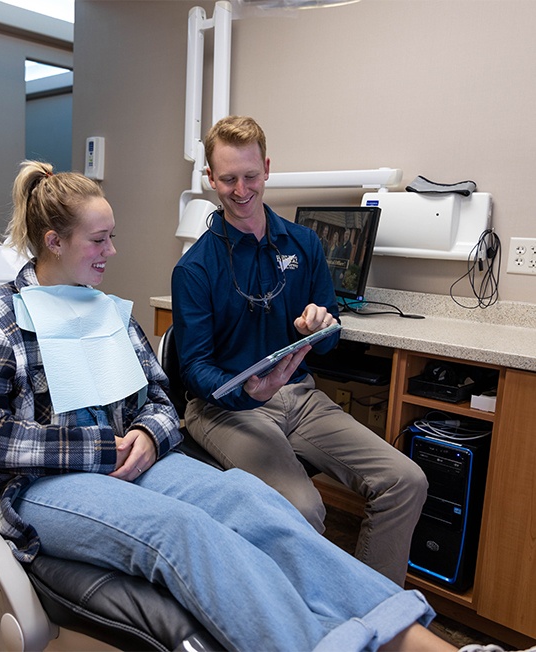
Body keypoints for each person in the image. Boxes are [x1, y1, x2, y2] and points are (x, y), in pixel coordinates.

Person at [0, 160, 476, 652]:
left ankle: (427, 645)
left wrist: (150, 434)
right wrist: (101, 448)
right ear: (54, 241)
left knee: (252, 501)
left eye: (112, 238)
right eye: (99, 240)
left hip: (132, 463)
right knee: (182, 531)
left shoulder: (109, 314)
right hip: (36, 486)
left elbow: (159, 396)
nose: (112, 251)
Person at [171, 115, 429, 586]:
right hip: (226, 409)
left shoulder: (305, 244)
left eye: (251, 176)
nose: (241, 189)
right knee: (304, 508)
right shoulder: (196, 267)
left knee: (405, 481)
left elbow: (328, 343)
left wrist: (321, 325)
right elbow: (193, 368)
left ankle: (373, 612)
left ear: (266, 168)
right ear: (211, 179)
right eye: (228, 179)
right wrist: (247, 390)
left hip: (299, 397)